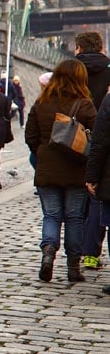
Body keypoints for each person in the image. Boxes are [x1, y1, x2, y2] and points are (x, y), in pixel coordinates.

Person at [26, 59, 98, 284]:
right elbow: (96, 138)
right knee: (75, 218)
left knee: (51, 215)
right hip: (76, 170)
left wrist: (42, 152)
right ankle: (73, 267)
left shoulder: (41, 102)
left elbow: (30, 136)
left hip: (47, 168)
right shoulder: (85, 104)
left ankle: (48, 254)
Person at [73, 32, 110, 270]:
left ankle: (73, 251)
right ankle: (90, 252)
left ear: (78, 48)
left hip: (73, 137)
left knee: (74, 199)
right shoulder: (108, 68)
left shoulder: (71, 70)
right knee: (98, 196)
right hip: (103, 134)